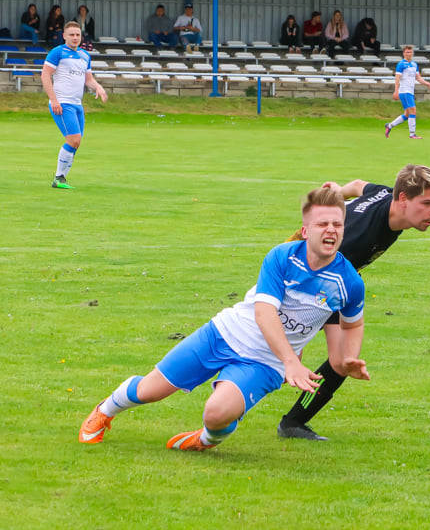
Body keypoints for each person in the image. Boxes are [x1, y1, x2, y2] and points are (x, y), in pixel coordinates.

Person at [79, 187, 368, 452]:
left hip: (266, 363)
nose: (330, 230)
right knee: (151, 390)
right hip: (223, 334)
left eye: (337, 225)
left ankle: (204, 440)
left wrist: (348, 359)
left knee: (216, 414)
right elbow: (264, 312)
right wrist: (292, 361)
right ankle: (104, 411)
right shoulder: (282, 257)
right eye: (322, 224)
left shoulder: (349, 283)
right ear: (305, 230)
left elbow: (353, 323)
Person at [278, 164, 430, 441]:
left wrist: (338, 192)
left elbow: (360, 185)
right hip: (305, 279)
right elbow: (300, 258)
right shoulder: (359, 234)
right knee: (275, 358)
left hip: (336, 283)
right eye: (427, 203)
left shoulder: (387, 195)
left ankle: (292, 424)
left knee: (342, 362)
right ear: (403, 199)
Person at [41, 21, 108, 190]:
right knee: (74, 139)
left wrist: (98, 87)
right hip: (62, 103)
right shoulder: (58, 52)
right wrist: (54, 99)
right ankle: (58, 178)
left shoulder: (85, 55)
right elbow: (45, 75)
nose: (75, 37)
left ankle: (61, 178)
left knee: (76, 143)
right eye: (71, 34)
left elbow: (88, 79)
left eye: (78, 34)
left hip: (77, 104)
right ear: (64, 36)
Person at [385, 45, 430, 140]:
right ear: (403, 53)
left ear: (412, 53)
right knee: (413, 110)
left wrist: (425, 82)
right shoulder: (401, 64)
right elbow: (397, 78)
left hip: (410, 91)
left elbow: (418, 77)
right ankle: (412, 134)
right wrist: (396, 91)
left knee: (407, 114)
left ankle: (389, 126)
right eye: (407, 52)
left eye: (410, 52)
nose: (409, 54)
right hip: (404, 90)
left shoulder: (414, 64)